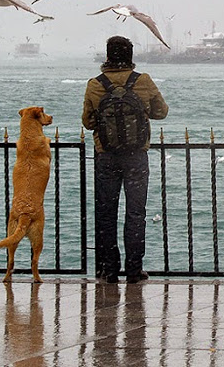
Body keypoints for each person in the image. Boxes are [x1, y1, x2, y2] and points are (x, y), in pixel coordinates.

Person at [82, 36, 168, 284]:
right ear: (130, 56)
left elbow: (88, 122)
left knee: (107, 214)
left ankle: (109, 270)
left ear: (108, 56)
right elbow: (161, 112)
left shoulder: (95, 84)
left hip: (106, 156)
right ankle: (134, 269)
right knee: (135, 213)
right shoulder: (143, 81)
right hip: (136, 157)